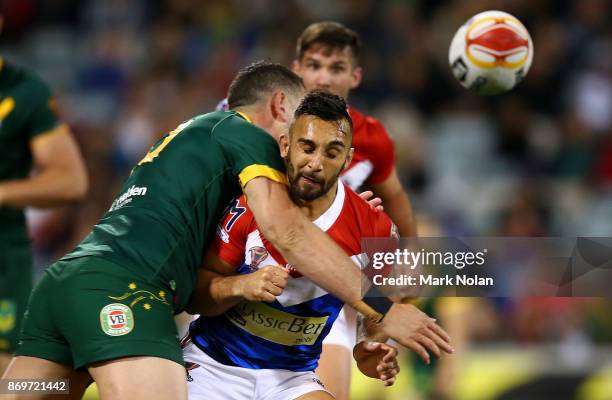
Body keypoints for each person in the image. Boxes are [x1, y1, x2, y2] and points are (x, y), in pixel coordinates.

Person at [3, 61, 450, 400]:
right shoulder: (244, 135)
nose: (292, 147)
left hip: (68, 283)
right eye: (295, 130)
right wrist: (382, 311)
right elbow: (289, 234)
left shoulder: (194, 142)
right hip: (126, 293)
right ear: (279, 108)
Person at [183, 91, 400, 400]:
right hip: (214, 365)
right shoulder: (250, 205)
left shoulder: (377, 231)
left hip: (292, 378)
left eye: (332, 152)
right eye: (307, 147)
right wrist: (241, 286)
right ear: (285, 145)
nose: (315, 163)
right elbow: (196, 298)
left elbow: (375, 314)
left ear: (347, 159)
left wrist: (371, 345)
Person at [290, 21, 418, 399]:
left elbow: (395, 198)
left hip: (327, 289)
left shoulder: (372, 137)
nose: (324, 78)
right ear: (296, 69)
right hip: (257, 273)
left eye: (336, 68)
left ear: (355, 75)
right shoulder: (269, 123)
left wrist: (411, 254)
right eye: (314, 65)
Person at [0, 49, 88, 376]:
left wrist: (3, 192)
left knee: (8, 378)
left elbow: (71, 180)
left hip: (4, 257)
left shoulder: (23, 92)